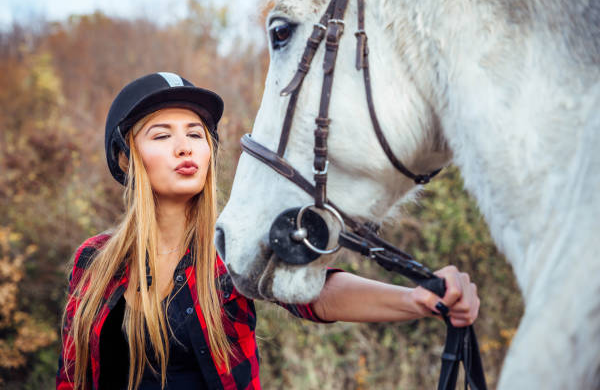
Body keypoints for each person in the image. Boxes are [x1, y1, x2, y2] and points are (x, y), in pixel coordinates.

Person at [57, 72, 480, 390]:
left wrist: (416, 298)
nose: (184, 147)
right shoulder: (93, 261)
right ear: (127, 159)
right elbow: (70, 376)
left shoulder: (230, 248)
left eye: (195, 134)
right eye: (161, 135)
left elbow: (318, 294)